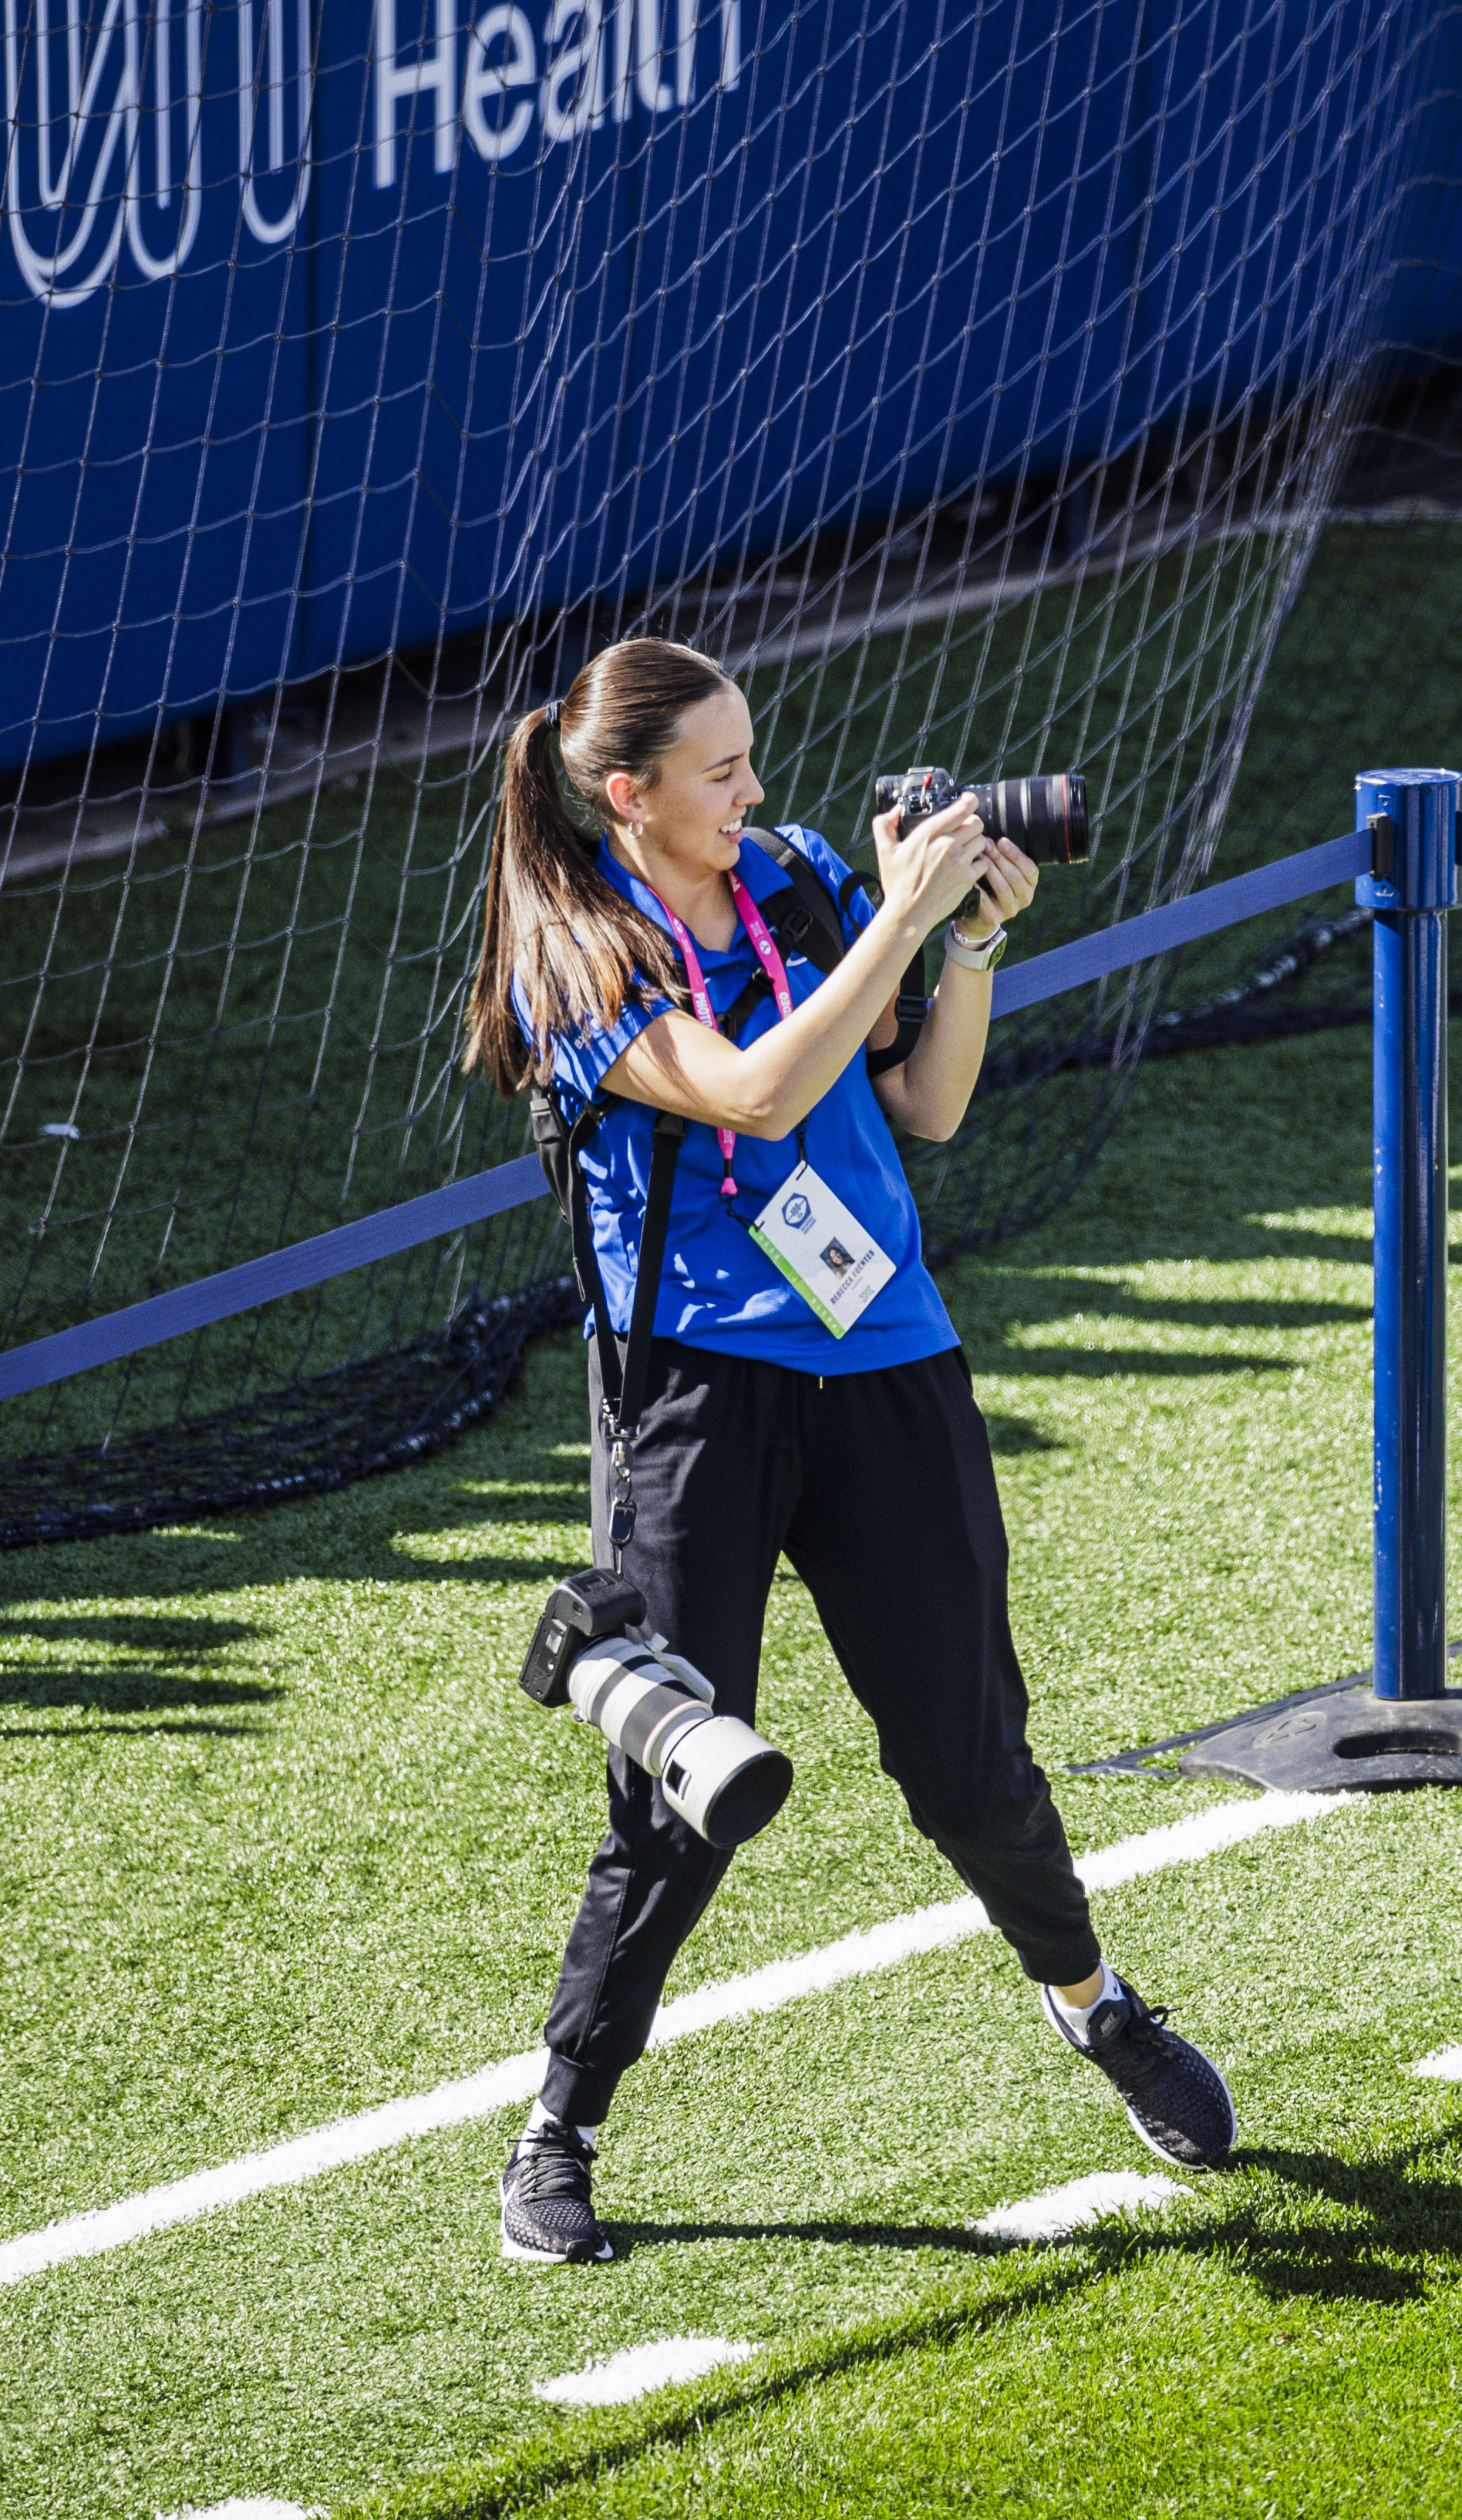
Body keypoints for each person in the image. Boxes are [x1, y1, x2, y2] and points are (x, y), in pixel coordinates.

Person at [460, 637, 1233, 2265]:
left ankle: (1091, 2006)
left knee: (970, 1758)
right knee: (678, 1789)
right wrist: (897, 920)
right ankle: (562, 2124)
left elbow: (929, 1108)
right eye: (722, 772)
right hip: (693, 1400)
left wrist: (963, 943)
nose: (757, 792)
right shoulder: (577, 961)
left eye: (753, 761)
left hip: (888, 1366)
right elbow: (747, 1094)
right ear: (628, 795)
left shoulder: (801, 879)